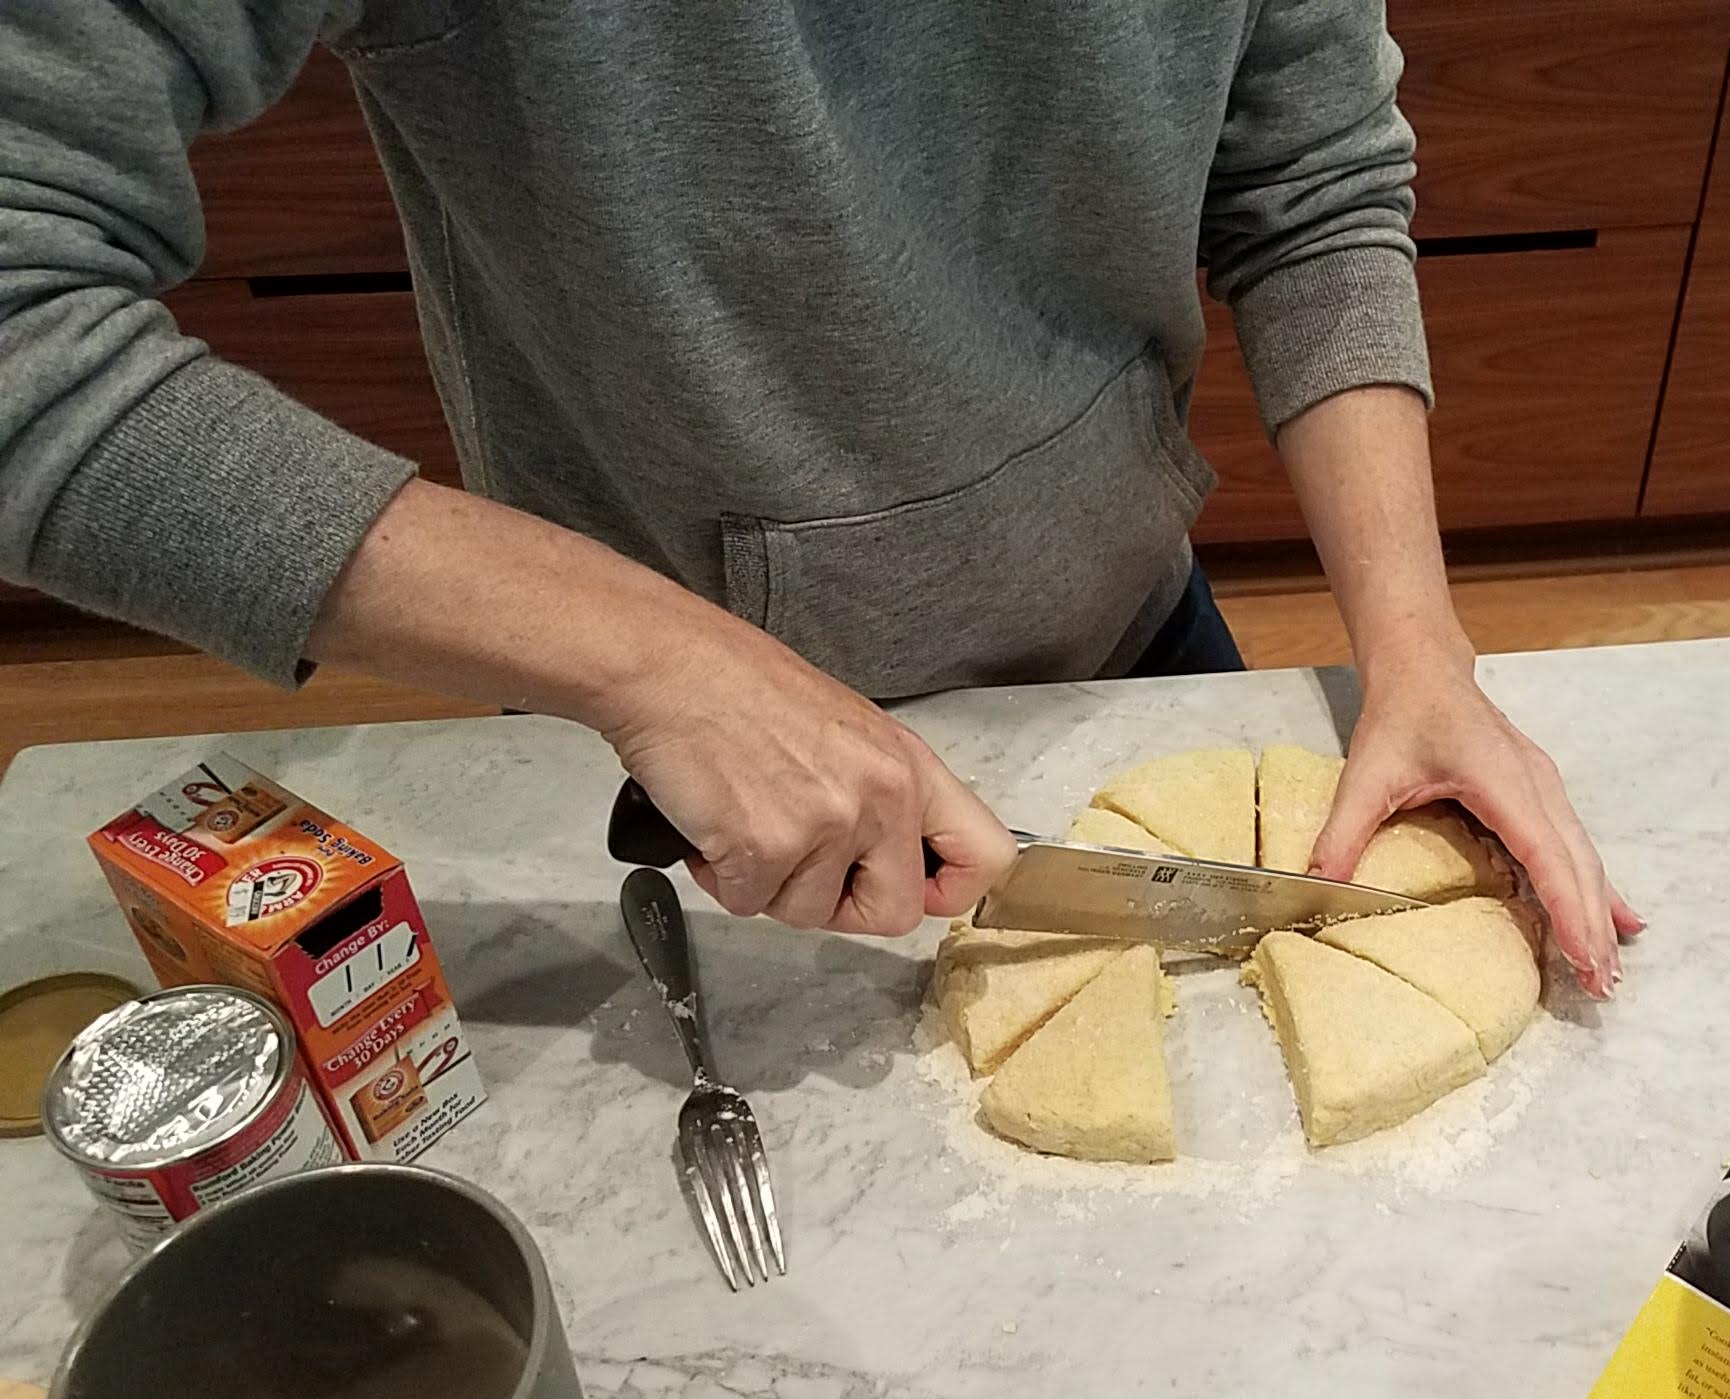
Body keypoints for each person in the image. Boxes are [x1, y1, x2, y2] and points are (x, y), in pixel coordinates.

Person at [0, 2, 1637, 994]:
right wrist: (667, 664)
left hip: (1138, 627)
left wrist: (1419, 649)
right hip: (668, 767)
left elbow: (1314, 178)